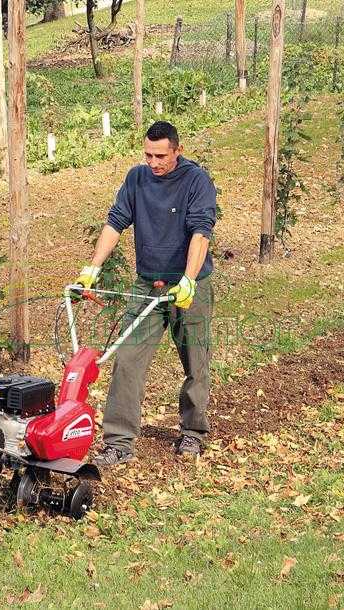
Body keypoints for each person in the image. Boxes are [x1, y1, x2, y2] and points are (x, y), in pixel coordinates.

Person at [73, 121, 217, 466]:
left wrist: (188, 279)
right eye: (148, 155)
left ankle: (193, 433)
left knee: (195, 361)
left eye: (161, 156)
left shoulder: (196, 181)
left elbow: (201, 232)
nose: (153, 162)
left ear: (177, 151)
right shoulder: (137, 179)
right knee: (127, 359)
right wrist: (92, 268)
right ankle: (119, 442)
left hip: (188, 286)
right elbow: (115, 222)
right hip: (147, 284)